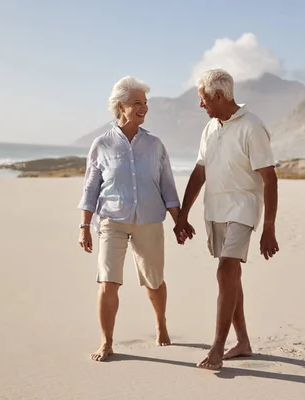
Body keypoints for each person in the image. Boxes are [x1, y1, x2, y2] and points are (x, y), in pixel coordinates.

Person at [174, 69, 280, 370]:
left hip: (243, 208)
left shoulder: (252, 127)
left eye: (202, 99)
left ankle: (218, 348)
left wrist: (269, 228)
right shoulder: (210, 129)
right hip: (215, 209)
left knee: (225, 271)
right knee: (230, 276)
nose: (200, 105)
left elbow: (269, 178)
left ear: (218, 96)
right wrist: (183, 215)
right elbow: (199, 172)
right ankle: (243, 341)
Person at [77, 76, 182, 362]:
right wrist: (84, 225)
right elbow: (90, 187)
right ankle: (106, 342)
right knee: (108, 281)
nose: (143, 109)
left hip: (149, 220)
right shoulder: (102, 145)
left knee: (154, 280)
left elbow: (167, 185)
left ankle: (161, 324)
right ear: (121, 106)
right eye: (137, 103)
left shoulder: (155, 145)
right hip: (112, 220)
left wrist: (179, 220)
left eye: (145, 104)